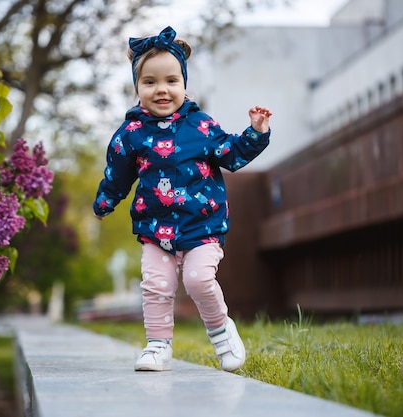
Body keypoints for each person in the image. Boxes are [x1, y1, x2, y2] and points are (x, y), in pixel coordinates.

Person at [92, 26, 272, 372]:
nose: (162, 89)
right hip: (154, 228)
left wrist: (255, 133)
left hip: (202, 224)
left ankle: (221, 332)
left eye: (171, 81)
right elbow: (117, 174)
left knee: (198, 280)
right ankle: (158, 345)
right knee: (156, 286)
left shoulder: (200, 126)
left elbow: (231, 153)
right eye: (150, 82)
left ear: (184, 84)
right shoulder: (130, 134)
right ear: (137, 88)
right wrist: (104, 203)